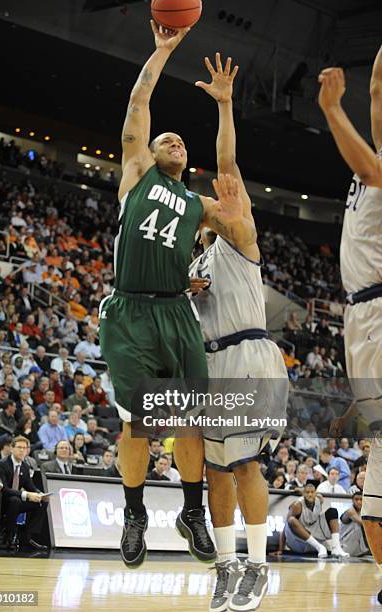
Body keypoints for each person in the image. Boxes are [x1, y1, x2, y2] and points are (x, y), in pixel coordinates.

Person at [98, 24, 252, 570]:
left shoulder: (195, 204)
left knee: (188, 422)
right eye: (166, 138)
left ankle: (192, 513)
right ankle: (134, 513)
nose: (174, 141)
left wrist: (226, 108)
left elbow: (228, 167)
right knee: (139, 422)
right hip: (132, 311)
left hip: (175, 311)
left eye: (180, 142)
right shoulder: (136, 174)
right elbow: (140, 100)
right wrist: (163, 51)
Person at [189, 53, 289, 612]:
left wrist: (226, 105)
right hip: (209, 365)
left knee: (246, 463)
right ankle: (226, 567)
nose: (215, 199)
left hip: (249, 353)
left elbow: (227, 163)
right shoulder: (192, 266)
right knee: (214, 470)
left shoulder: (238, 234)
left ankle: (258, 566)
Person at [319, 47, 382, 602]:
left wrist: (333, 110)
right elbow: (379, 91)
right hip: (360, 314)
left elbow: (367, 164)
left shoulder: (376, 169)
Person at [0, 436, 49, 550]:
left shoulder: (24, 466)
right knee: (15, 501)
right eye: (19, 447)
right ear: (12, 448)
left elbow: (30, 486)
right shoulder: (2, 464)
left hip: (16, 499)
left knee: (42, 502)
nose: (22, 450)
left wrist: (40, 494)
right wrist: (27, 495)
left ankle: (27, 537)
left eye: (25, 448)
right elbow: (3, 489)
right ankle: (8, 537)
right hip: (0, 500)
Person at [274, 484, 348, 559]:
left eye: (312, 492)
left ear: (315, 493)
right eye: (307, 492)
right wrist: (281, 549)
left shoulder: (319, 499)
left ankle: (336, 548)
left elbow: (316, 495)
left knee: (332, 511)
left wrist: (302, 490)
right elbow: (286, 526)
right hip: (297, 540)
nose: (310, 494)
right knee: (291, 520)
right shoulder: (297, 505)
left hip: (312, 532)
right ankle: (319, 547)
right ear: (303, 494)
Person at [340, 492, 370, 557]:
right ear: (352, 500)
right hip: (345, 545)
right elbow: (363, 524)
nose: (359, 502)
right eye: (356, 499)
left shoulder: (364, 511)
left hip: (357, 547)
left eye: (361, 499)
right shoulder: (350, 511)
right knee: (360, 526)